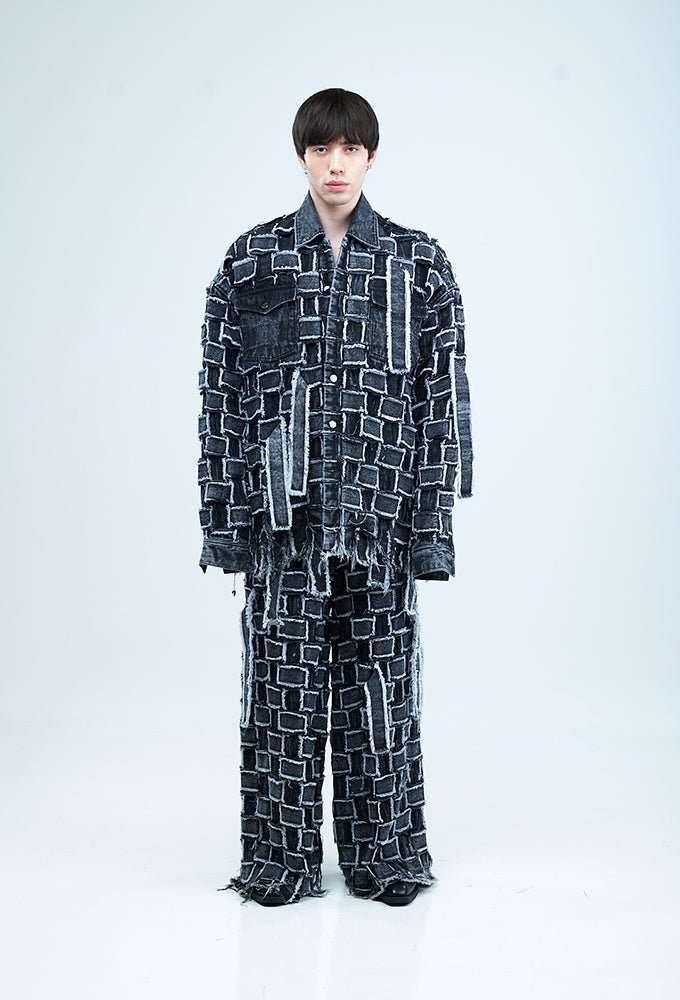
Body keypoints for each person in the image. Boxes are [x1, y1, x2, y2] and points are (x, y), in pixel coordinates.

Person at [197, 87, 474, 906]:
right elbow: (219, 398)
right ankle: (279, 860)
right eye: (322, 149)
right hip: (282, 526)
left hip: (381, 518)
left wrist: (431, 527)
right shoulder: (252, 262)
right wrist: (224, 522)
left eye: (351, 148)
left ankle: (385, 857)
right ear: (302, 157)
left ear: (371, 156)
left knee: (379, 695)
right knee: (281, 696)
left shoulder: (419, 264)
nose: (336, 164)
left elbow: (440, 402)